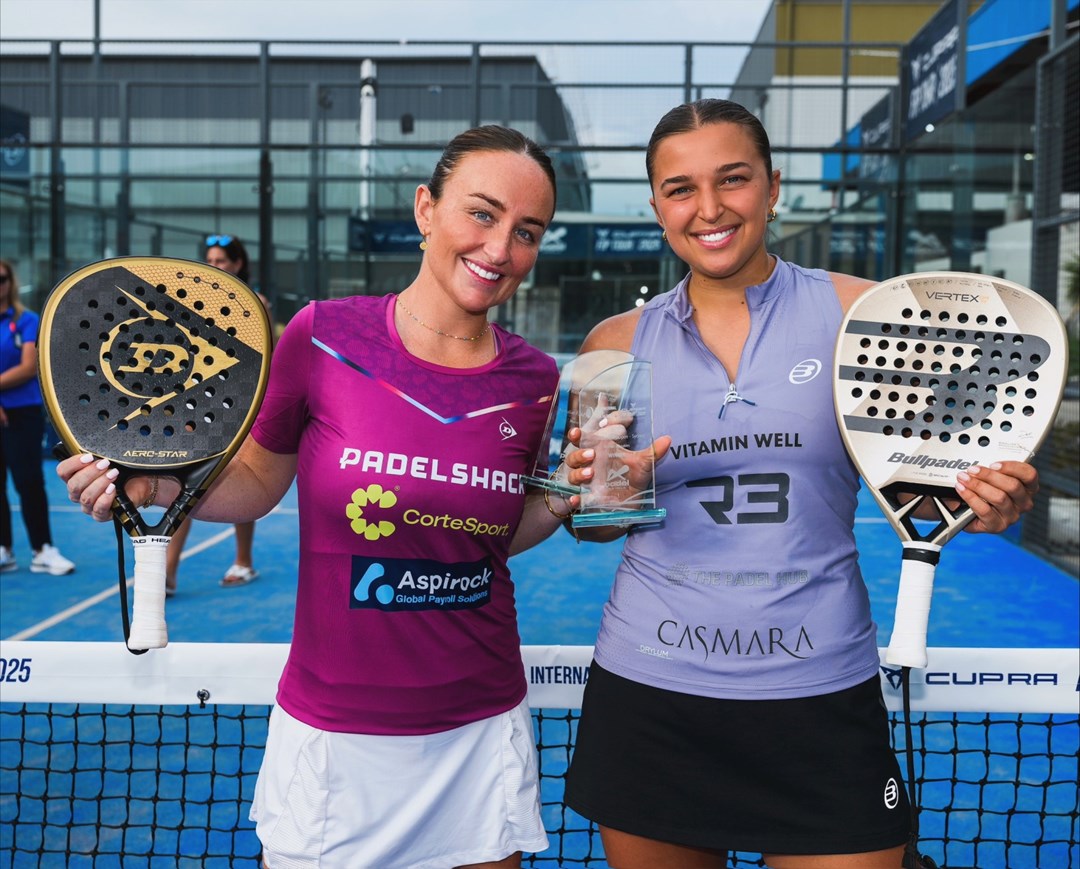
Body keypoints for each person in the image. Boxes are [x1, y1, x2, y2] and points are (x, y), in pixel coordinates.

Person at [59, 125, 580, 869]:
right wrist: (151, 485)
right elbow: (254, 485)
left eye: (526, 231)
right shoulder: (324, 335)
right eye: (483, 213)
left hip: (479, 723)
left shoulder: (535, 379)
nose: (500, 248)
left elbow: (490, 526)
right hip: (335, 734)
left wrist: (562, 503)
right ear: (426, 208)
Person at [557, 100, 1040, 869]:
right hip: (652, 694)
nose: (709, 208)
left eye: (734, 179)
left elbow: (940, 475)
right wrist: (611, 496)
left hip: (818, 690)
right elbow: (592, 524)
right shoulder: (610, 346)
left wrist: (983, 503)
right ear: (656, 206)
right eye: (680, 188)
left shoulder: (864, 314)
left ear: (773, 187)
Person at [164, 234, 268, 593]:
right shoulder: (190, 306)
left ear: (237, 264)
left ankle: (244, 561)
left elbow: (262, 363)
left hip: (241, 410)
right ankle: (169, 573)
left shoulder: (257, 306)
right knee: (183, 486)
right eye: (210, 260)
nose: (214, 267)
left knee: (245, 484)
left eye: (221, 261)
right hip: (197, 408)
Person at [0, 258, 76, 576]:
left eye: (1, 278)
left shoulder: (27, 320)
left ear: (10, 282)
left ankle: (42, 549)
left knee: (29, 481)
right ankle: (4, 549)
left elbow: (29, 366)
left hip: (23, 414)